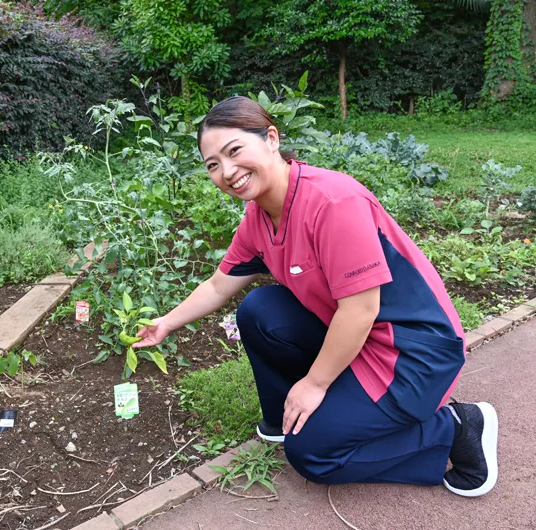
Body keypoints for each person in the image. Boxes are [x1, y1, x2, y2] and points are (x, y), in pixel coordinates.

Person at [133, 96, 498, 497]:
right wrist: (165, 323)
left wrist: (315, 383)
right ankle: (284, 419)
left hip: (414, 351)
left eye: (234, 151)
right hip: (360, 335)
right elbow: (220, 285)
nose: (227, 171)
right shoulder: (259, 217)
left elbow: (361, 309)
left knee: (313, 455)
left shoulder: (332, 202)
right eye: (213, 165)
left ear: (271, 138)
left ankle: (457, 428)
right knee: (259, 310)